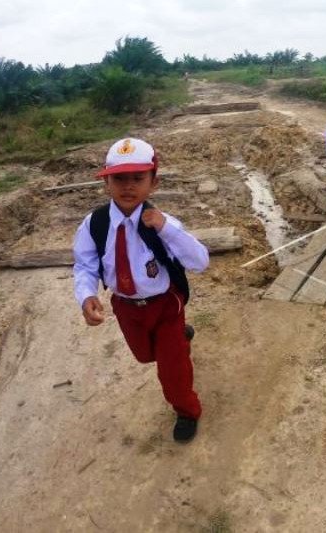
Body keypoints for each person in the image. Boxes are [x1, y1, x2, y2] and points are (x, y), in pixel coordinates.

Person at [72, 137, 209, 443]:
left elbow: (200, 262)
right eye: (119, 178)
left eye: (138, 178)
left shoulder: (163, 223)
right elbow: (84, 265)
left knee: (171, 373)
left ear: (154, 183)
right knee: (145, 356)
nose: (128, 186)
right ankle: (178, 342)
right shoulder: (94, 224)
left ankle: (187, 410)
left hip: (164, 306)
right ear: (107, 182)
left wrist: (165, 229)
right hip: (126, 306)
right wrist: (87, 294)